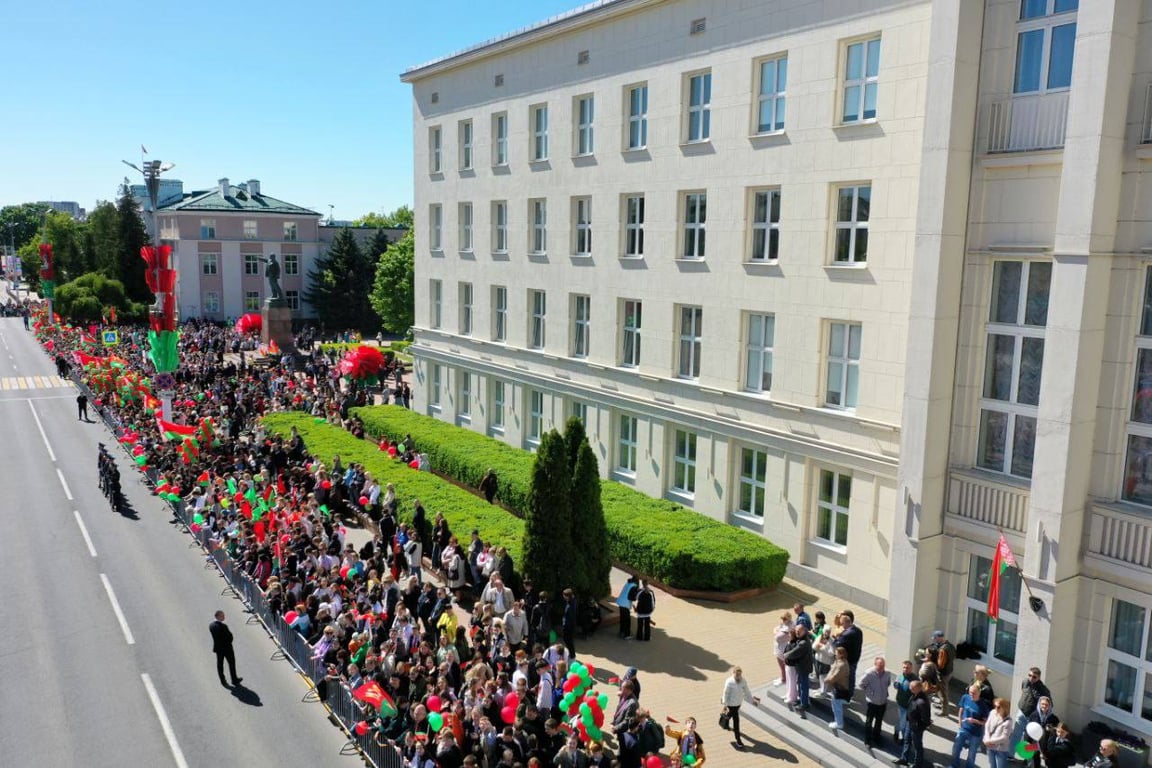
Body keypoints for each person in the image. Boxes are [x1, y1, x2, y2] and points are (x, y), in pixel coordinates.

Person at [721, 666, 760, 750]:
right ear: (733, 673)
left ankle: (725, 723)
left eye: (739, 675)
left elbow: (747, 691)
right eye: (737, 675)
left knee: (729, 716)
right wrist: (725, 704)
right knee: (736, 721)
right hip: (731, 704)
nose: (738, 677)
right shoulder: (729, 682)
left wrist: (752, 701)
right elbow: (725, 693)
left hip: (738, 703)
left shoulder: (743, 681)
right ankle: (738, 740)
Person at [918, 630, 956, 716]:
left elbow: (940, 665)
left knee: (943, 692)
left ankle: (944, 711)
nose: (934, 640)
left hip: (943, 674)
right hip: (949, 671)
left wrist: (930, 661)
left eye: (935, 638)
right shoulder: (950, 645)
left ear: (939, 638)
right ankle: (942, 704)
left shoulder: (942, 650)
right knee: (941, 689)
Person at [949, 683, 987, 768]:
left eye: (974, 693)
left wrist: (975, 721)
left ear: (979, 693)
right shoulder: (965, 697)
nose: (971, 695)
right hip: (963, 729)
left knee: (971, 754)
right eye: (970, 692)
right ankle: (954, 765)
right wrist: (959, 723)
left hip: (975, 734)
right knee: (956, 749)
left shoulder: (983, 705)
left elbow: (985, 722)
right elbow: (961, 710)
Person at [895, 679, 931, 767]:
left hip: (916, 728)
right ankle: (904, 759)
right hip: (910, 723)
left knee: (917, 746)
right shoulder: (913, 696)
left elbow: (926, 719)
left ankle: (917, 764)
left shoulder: (922, 702)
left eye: (912, 687)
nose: (909, 688)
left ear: (918, 688)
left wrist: (919, 727)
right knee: (906, 741)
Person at [1012, 667, 1051, 746]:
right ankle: (1010, 755)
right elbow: (1023, 691)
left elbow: (1049, 703)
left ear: (1039, 677)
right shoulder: (1025, 682)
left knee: (1029, 739)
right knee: (1016, 735)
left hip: (1032, 717)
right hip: (1021, 712)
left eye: (1034, 677)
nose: (1031, 678)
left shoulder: (1043, 690)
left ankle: (1027, 757)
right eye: (1029, 675)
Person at [859, 656, 890, 747]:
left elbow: (887, 683)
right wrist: (870, 692)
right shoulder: (869, 673)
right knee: (869, 722)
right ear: (875, 664)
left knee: (879, 721)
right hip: (872, 702)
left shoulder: (887, 673)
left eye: (883, 666)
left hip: (883, 702)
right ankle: (867, 740)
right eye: (879, 666)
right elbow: (861, 684)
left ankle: (876, 737)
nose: (881, 668)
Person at [783, 624, 813, 713]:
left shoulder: (803, 643)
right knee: (801, 684)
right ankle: (803, 700)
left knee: (803, 685)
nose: (797, 633)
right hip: (802, 667)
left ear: (803, 631)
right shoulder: (803, 639)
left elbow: (795, 652)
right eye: (796, 631)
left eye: (799, 631)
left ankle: (804, 704)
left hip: (803, 667)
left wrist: (786, 655)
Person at [834, 610, 864, 694]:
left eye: (842, 624)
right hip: (855, 657)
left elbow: (836, 645)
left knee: (848, 677)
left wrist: (836, 638)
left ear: (846, 622)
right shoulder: (858, 630)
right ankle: (851, 691)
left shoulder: (846, 634)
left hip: (848, 660)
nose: (842, 626)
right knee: (852, 676)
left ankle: (848, 695)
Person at [209, 610, 242, 687]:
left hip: (218, 648)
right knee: (231, 663)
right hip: (227, 649)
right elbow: (230, 637)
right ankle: (234, 679)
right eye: (222, 616)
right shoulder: (223, 626)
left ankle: (223, 680)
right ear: (218, 616)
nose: (224, 617)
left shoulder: (211, 625)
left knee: (220, 664)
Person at [982, 697, 1012, 768]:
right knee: (992, 766)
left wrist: (989, 741)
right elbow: (987, 726)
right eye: (995, 706)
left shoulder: (1008, 721)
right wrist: (986, 738)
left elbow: (1004, 738)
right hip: (990, 747)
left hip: (1000, 749)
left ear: (1004, 708)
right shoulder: (992, 712)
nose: (996, 709)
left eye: (998, 707)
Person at [826, 646, 851, 732]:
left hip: (839, 688)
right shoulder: (840, 662)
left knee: (837, 707)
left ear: (841, 654)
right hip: (838, 687)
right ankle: (837, 721)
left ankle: (839, 723)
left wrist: (827, 680)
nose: (834, 654)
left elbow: (834, 677)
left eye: (836, 653)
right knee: (835, 705)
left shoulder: (841, 665)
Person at [893, 659, 918, 742]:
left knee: (905, 723)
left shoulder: (915, 679)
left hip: (910, 705)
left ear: (911, 668)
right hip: (901, 703)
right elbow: (896, 686)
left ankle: (899, 733)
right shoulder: (900, 676)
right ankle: (901, 736)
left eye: (907, 668)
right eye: (904, 667)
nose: (905, 669)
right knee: (903, 723)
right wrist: (896, 684)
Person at [773, 612, 793, 686]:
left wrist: (776, 632)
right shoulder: (786, 624)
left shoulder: (788, 628)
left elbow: (777, 637)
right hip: (781, 648)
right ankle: (783, 677)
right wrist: (776, 631)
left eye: (784, 619)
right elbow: (776, 628)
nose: (783, 620)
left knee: (782, 665)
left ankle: (784, 679)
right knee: (782, 665)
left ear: (788, 619)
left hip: (782, 648)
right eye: (782, 619)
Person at [616, 575, 639, 640]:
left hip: (620, 603)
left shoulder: (628, 583)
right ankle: (627, 635)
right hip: (625, 604)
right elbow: (631, 597)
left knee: (622, 619)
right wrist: (635, 597)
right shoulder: (634, 586)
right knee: (627, 620)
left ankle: (621, 632)